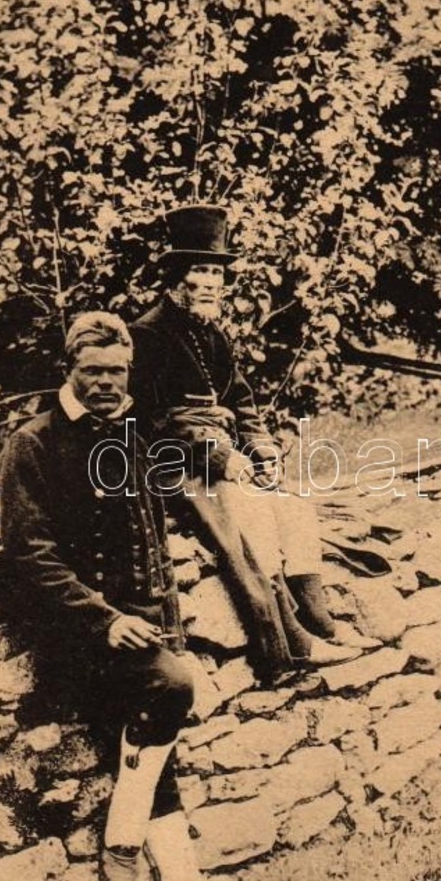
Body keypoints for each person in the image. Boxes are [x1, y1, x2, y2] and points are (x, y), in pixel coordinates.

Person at [0, 311, 275, 881]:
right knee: (176, 687)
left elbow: (157, 531)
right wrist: (103, 620)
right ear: (69, 369)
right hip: (81, 635)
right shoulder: (33, 442)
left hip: (147, 624)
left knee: (162, 768)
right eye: (91, 371)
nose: (105, 383)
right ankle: (121, 838)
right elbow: (30, 552)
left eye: (116, 371)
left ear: (130, 371)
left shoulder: (136, 435)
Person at [129, 204, 370, 686]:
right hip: (172, 466)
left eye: (218, 271)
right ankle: (287, 647)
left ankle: (319, 621)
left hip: (221, 463)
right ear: (177, 277)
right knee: (254, 516)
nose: (214, 282)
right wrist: (221, 455)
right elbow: (153, 422)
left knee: (294, 510)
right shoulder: (147, 334)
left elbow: (241, 398)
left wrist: (260, 447)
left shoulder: (213, 334)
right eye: (202, 270)